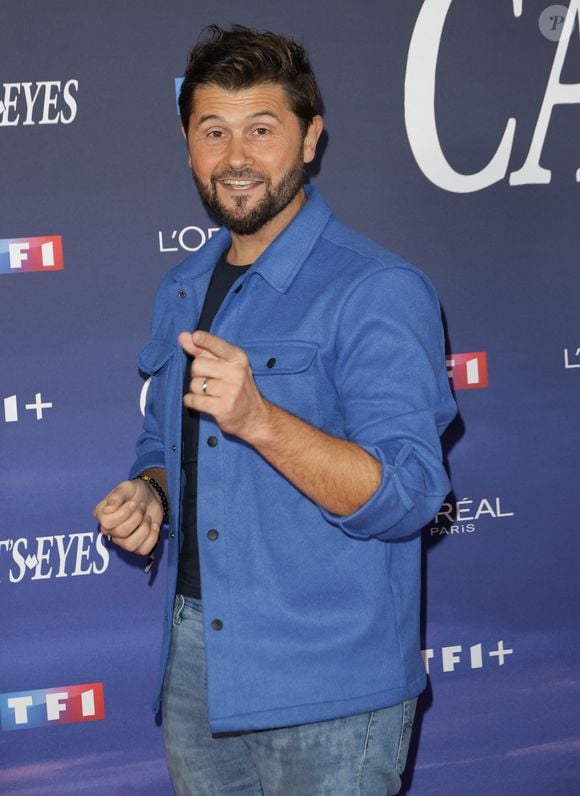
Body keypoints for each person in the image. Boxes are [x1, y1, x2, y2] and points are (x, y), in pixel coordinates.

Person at [94, 25, 456, 796]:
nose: (235, 158)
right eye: (213, 131)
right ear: (187, 142)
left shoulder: (377, 289)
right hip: (199, 668)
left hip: (329, 682)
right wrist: (150, 490)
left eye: (262, 130)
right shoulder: (183, 286)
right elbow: (159, 440)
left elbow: (412, 494)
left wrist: (261, 420)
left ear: (311, 139)